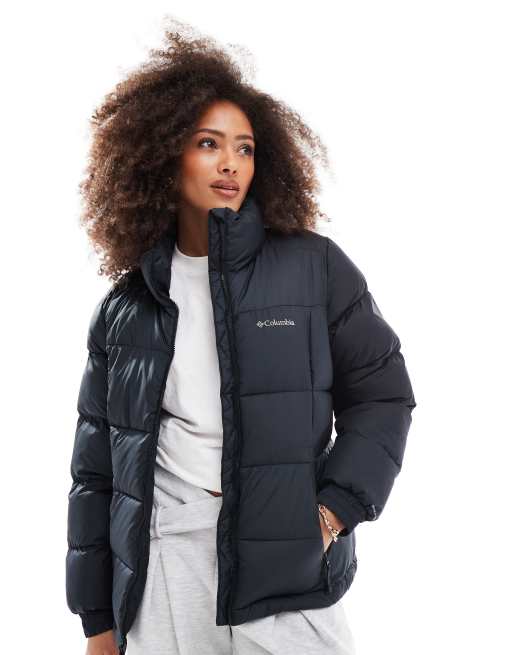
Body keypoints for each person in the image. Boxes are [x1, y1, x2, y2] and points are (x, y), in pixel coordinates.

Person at [65, 21, 416, 655]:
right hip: (166, 562)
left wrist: (333, 511)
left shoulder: (314, 268)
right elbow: (96, 474)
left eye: (245, 148)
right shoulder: (125, 308)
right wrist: (97, 621)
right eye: (208, 143)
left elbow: (383, 395)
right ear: (162, 155)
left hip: (287, 563)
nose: (230, 163)